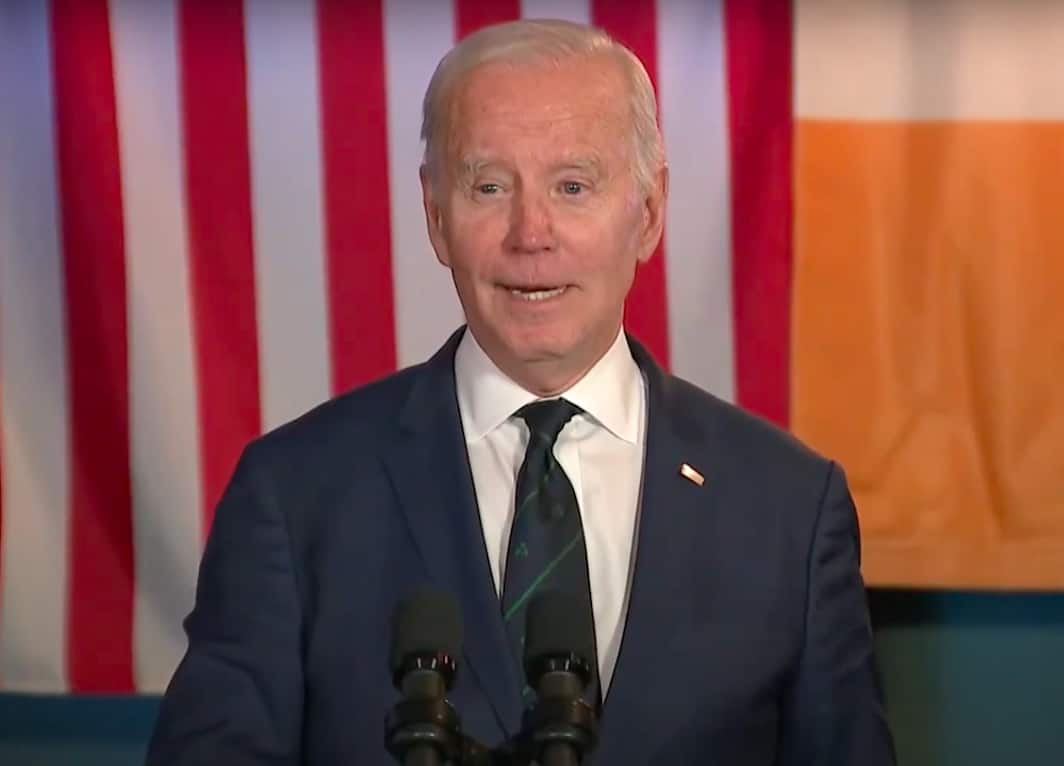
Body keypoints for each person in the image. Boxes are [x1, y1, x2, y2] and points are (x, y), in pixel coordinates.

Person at [145, 18, 895, 766]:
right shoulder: (295, 495)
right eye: (490, 187)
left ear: (648, 212)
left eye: (573, 186)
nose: (530, 233)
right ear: (436, 216)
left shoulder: (789, 510)